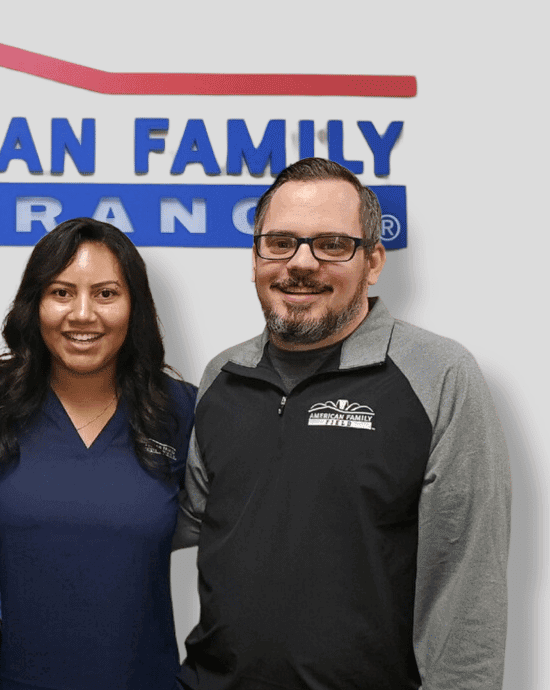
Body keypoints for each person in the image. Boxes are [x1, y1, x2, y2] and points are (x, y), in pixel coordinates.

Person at [174, 157, 511, 690]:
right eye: (280, 242)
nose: (300, 263)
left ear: (373, 261)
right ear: (256, 255)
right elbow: (169, 522)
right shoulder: (223, 376)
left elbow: (466, 590)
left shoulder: (438, 375)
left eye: (331, 244)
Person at [0, 218, 197, 690]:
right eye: (61, 292)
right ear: (34, 305)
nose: (83, 314)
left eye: (106, 294)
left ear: (135, 306)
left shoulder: (181, 411)